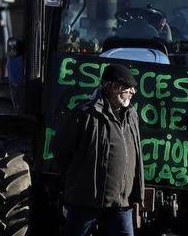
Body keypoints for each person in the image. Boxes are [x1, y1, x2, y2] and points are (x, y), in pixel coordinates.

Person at [55, 64, 144, 236]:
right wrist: (76, 182)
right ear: (111, 87)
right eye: (127, 88)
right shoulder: (86, 114)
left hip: (120, 204)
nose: (132, 92)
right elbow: (61, 151)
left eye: (133, 89)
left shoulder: (131, 115)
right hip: (85, 202)